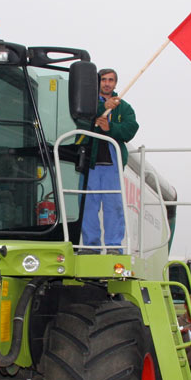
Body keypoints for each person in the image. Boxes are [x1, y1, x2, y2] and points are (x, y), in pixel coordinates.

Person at [78, 68, 139, 254]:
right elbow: (80, 119)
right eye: (104, 79)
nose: (107, 83)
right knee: (88, 206)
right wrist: (102, 108)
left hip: (112, 163)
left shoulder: (124, 107)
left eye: (111, 80)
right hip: (90, 162)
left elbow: (130, 129)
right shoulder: (87, 102)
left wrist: (110, 127)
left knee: (114, 206)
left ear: (115, 83)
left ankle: (113, 246)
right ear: (98, 82)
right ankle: (90, 246)